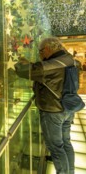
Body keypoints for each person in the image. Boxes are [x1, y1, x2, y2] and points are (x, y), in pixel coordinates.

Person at [14, 37, 79, 174]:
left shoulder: (53, 64)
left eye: (41, 52)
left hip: (53, 111)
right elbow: (48, 73)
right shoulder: (69, 60)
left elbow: (25, 71)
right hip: (67, 109)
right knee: (65, 143)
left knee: (56, 148)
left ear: (48, 49)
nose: (40, 55)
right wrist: (31, 64)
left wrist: (15, 62)